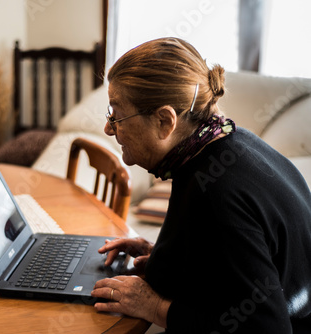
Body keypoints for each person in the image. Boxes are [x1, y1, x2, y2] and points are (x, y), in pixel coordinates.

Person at [90, 37, 311, 333]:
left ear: (164, 121)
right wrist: (163, 255)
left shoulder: (216, 193)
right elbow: (231, 262)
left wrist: (153, 306)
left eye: (116, 116)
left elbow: (266, 327)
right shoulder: (227, 142)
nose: (109, 128)